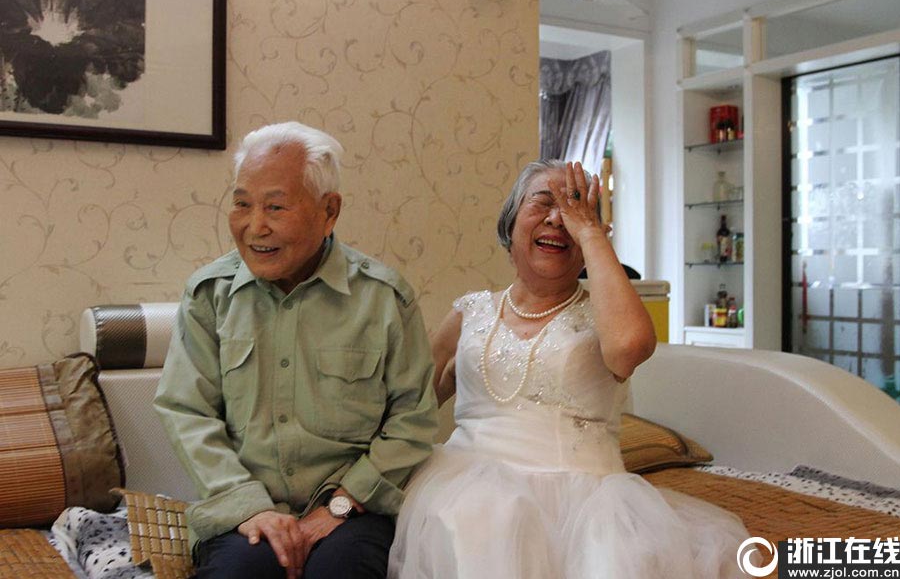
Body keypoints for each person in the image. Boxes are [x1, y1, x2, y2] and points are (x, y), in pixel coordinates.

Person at [388, 160, 751, 578]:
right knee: (482, 520)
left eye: (576, 208)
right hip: (464, 487)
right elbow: (405, 406)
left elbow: (630, 347)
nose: (558, 218)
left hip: (590, 505)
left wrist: (592, 232)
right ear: (510, 226)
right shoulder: (471, 313)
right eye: (543, 202)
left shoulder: (603, 316)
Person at [154, 122, 438, 579]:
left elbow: (413, 418)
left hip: (351, 510)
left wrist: (341, 506)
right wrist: (250, 507)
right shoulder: (210, 294)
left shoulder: (383, 299)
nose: (254, 226)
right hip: (246, 510)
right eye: (242, 204)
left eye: (276, 206)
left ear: (330, 212)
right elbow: (186, 410)